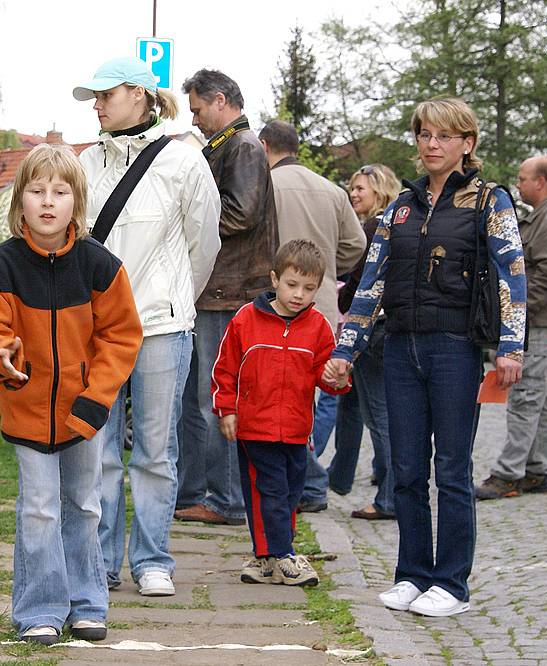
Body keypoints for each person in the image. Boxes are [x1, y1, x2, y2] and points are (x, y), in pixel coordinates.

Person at [324, 98, 526, 617]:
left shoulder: (490, 201)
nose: (432, 144)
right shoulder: (400, 208)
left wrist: (511, 344)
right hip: (399, 346)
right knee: (407, 469)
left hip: (455, 348)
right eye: (424, 135)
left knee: (452, 470)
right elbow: (371, 281)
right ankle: (412, 574)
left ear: (467, 143)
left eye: (443, 135)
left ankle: (452, 584)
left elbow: (512, 276)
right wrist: (347, 348)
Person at [0, 144, 142, 645]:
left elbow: (122, 337)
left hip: (84, 412)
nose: (48, 201)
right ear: (20, 200)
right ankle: (39, 608)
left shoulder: (100, 265)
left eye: (60, 192)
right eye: (37, 191)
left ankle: (87, 603)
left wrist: (97, 396)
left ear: (76, 202)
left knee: (85, 505)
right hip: (26, 411)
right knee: (39, 508)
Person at [74, 57, 221, 596]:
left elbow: (203, 244)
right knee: (100, 451)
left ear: (138, 94)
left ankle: (153, 559)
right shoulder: (87, 164)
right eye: (93, 96)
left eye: (104, 93)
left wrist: (177, 300)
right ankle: (103, 561)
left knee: (156, 452)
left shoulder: (184, 162)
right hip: (97, 328)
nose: (96, 104)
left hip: (161, 325)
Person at [175, 68, 279, 526]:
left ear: (221, 101)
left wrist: (182, 226)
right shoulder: (228, 146)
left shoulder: (242, 146)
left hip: (228, 293)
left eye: (198, 109)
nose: (196, 120)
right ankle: (199, 492)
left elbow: (240, 214)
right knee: (199, 399)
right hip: (216, 291)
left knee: (215, 398)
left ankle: (226, 499)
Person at [212, 239, 349, 586]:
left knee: (289, 492)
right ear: (274, 279)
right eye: (292, 285)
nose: (299, 294)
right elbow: (224, 369)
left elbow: (325, 373)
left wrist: (336, 377)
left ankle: (265, 558)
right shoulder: (246, 319)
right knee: (269, 489)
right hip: (254, 426)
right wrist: (227, 409)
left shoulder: (318, 326)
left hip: (296, 428)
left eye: (308, 288)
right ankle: (286, 555)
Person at [258, 119, 366, 514]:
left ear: (265, 145)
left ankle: (309, 481)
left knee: (277, 400)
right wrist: (324, 274)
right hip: (320, 304)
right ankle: (306, 482)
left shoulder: (266, 186)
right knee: (307, 400)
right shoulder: (333, 191)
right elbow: (357, 245)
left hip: (276, 304)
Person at [476, 156, 547, 499]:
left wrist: (517, 312)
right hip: (540, 318)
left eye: (523, 179)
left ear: (542, 182)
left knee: (525, 395)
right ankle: (537, 469)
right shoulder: (545, 216)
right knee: (539, 397)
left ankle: (508, 474)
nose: (518, 185)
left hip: (538, 320)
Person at [327, 164, 401, 520]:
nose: (353, 194)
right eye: (351, 188)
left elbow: (361, 282)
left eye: (360, 189)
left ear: (380, 190)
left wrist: (344, 303)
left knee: (380, 417)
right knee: (366, 411)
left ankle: (389, 497)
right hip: (383, 329)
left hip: (376, 329)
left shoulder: (376, 227)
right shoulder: (386, 223)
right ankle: (345, 479)